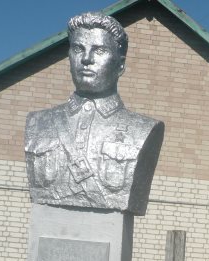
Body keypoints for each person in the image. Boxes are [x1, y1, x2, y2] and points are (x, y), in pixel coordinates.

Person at [25, 12, 164, 214]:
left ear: (121, 65)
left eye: (99, 50)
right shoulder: (37, 123)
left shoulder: (143, 129)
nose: (87, 59)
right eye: (78, 49)